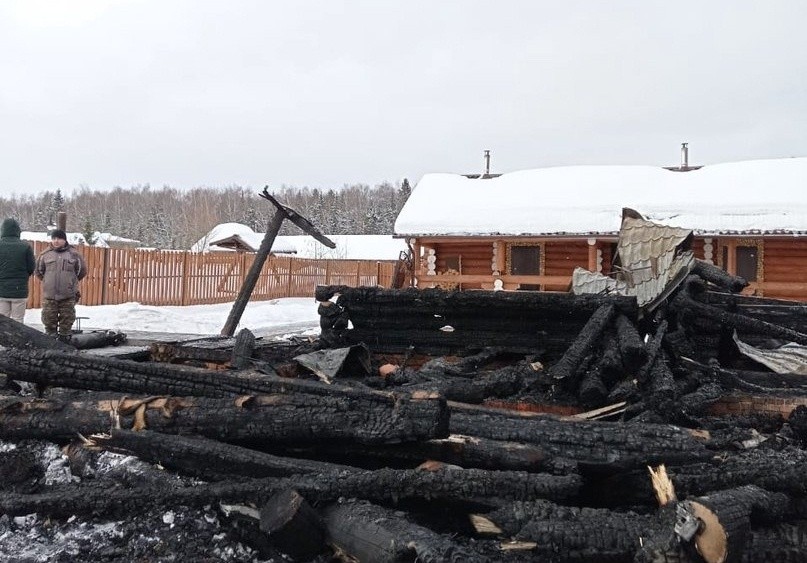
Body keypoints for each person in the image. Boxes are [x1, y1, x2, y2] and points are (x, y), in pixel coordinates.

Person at [35, 229, 87, 341]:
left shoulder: (74, 254)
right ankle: (50, 341)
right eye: (54, 238)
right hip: (50, 295)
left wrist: (70, 282)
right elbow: (39, 272)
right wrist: (48, 281)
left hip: (68, 295)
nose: (56, 241)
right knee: (48, 320)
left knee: (67, 320)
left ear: (64, 240)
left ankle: (65, 341)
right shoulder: (45, 255)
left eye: (59, 238)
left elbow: (81, 271)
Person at [0, 218, 36, 323]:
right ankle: (18, 339)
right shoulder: (25, 246)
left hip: (2, 289)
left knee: (2, 321)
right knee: (18, 320)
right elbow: (31, 267)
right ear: (17, 231)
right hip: (19, 290)